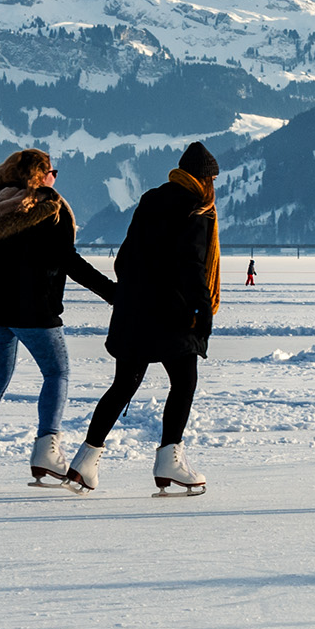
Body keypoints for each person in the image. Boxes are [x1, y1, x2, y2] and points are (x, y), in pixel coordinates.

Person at [0, 149, 116, 489]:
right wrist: (114, 293)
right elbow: (68, 259)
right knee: (57, 373)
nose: (55, 178)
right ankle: (46, 450)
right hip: (34, 310)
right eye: (52, 171)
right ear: (40, 176)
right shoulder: (47, 209)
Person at [66, 141, 221, 496]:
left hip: (135, 311)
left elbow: (124, 258)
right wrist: (201, 311)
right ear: (206, 179)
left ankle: (85, 460)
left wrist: (133, 293)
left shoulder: (151, 200)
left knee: (125, 383)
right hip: (172, 315)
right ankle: (169, 460)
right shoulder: (198, 208)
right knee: (183, 383)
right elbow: (193, 265)